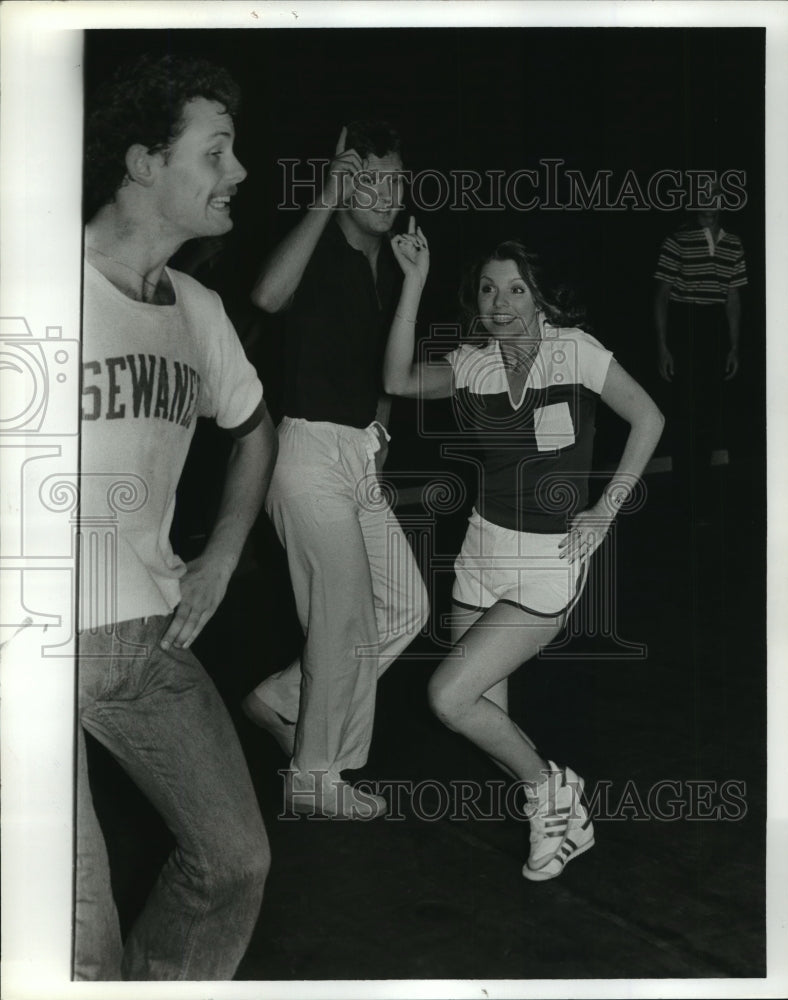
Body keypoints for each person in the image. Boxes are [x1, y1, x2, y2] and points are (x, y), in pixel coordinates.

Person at [77, 53, 277, 979]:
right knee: (77, 942)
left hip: (153, 637)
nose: (237, 173)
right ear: (144, 162)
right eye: (217, 152)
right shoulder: (42, 279)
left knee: (235, 860)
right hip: (37, 649)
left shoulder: (197, 309)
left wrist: (225, 552)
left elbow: (255, 430)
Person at [383, 225, 664, 881]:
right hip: (481, 551)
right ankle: (559, 802)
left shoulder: (576, 352)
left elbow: (650, 418)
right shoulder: (470, 362)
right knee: (485, 724)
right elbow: (395, 378)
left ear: (539, 298)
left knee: (449, 698)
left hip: (548, 560)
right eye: (488, 289)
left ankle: (553, 792)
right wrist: (414, 282)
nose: (500, 303)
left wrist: (604, 509)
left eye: (515, 289)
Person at [242, 122, 429, 820]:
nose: (387, 195)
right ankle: (316, 777)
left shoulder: (389, 267)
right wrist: (324, 195)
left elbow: (391, 371)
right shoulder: (320, 250)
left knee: (406, 605)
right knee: (343, 619)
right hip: (306, 453)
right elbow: (265, 296)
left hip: (357, 455)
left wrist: (380, 432)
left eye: (397, 182)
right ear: (348, 185)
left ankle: (287, 698)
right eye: (372, 181)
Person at [653, 189, 747, 521]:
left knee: (708, 414)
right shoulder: (678, 239)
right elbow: (662, 296)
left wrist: (734, 345)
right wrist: (664, 345)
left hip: (714, 329)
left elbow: (733, 298)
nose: (709, 201)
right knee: (684, 412)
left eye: (715, 195)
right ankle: (682, 498)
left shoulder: (733, 243)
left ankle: (703, 495)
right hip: (686, 325)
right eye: (703, 194)